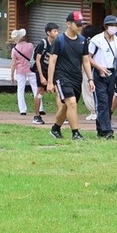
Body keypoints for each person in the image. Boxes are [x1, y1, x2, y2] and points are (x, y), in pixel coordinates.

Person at [46, 11, 92, 140]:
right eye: (77, 24)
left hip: (76, 77)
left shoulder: (83, 41)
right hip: (62, 77)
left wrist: (90, 79)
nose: (80, 27)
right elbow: (52, 61)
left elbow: (86, 60)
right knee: (72, 103)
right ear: (68, 24)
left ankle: (55, 129)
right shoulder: (59, 40)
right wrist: (50, 82)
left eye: (81, 24)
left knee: (67, 105)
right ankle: (75, 133)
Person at [10, 28, 38, 117]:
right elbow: (33, 57)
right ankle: (40, 108)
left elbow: (13, 64)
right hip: (31, 70)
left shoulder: (14, 49)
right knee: (35, 89)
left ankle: (22, 110)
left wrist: (11, 75)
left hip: (20, 71)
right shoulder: (30, 45)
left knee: (20, 90)